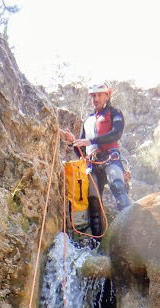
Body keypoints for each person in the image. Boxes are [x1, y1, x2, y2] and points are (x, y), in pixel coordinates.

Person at [68, 83, 131, 217]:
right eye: (93, 96)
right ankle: (97, 238)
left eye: (99, 95)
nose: (95, 99)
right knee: (93, 202)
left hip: (110, 159)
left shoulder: (115, 114)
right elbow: (81, 152)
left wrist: (91, 141)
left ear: (107, 95)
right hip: (93, 164)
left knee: (117, 186)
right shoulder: (88, 121)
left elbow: (116, 134)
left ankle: (131, 226)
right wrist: (73, 141)